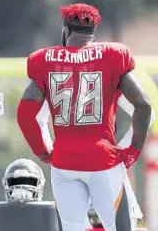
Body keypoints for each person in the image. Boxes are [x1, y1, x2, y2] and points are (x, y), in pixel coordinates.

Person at [17, 3, 152, 231]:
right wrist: (132, 151)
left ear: (66, 31)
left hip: (64, 162)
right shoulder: (113, 55)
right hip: (102, 160)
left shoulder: (43, 60)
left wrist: (43, 150)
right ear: (93, 34)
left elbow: (25, 115)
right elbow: (144, 104)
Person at [37, 97, 155, 230]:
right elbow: (146, 113)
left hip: (85, 165)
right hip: (92, 166)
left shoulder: (57, 78)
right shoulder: (109, 78)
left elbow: (147, 113)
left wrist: (49, 151)